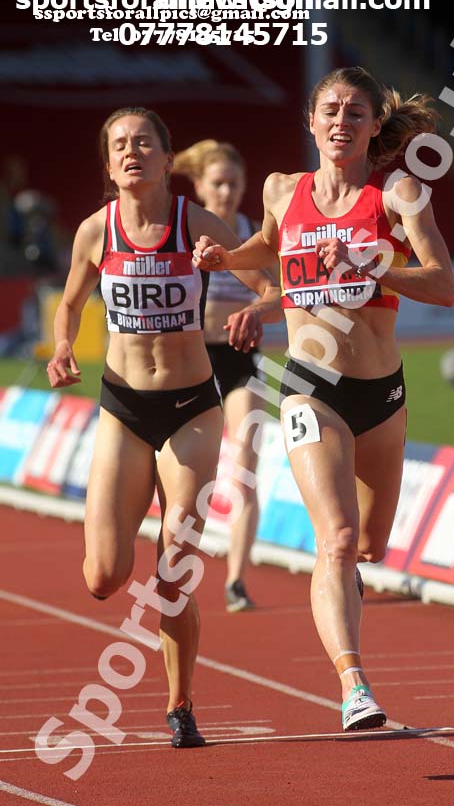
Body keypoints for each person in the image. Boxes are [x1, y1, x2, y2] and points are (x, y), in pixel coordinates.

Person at [193, 67, 454, 731]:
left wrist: (374, 264)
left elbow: (442, 284)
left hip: (382, 394)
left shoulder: (395, 194)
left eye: (354, 112)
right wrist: (228, 263)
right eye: (329, 110)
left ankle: (346, 592)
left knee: (367, 545)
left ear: (372, 127)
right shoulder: (284, 190)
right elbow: (269, 248)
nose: (340, 122)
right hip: (310, 387)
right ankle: (353, 683)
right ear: (310, 121)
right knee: (334, 539)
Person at [46, 107, 280, 748]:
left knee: (174, 568)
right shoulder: (97, 231)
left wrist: (256, 310)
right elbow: (68, 302)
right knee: (102, 579)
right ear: (108, 162)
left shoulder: (196, 223)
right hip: (123, 408)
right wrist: (63, 346)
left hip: (191, 408)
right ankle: (115, 543)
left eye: (143, 142)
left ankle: (180, 703)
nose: (131, 152)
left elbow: (273, 286)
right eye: (119, 144)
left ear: (164, 156)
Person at [173, 140, 277, 612]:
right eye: (218, 182)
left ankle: (237, 580)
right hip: (193, 363)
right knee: (192, 477)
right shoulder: (183, 233)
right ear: (199, 186)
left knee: (246, 472)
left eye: (235, 183)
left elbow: (277, 294)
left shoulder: (254, 236)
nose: (228, 191)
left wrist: (257, 309)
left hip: (240, 364)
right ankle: (176, 572)